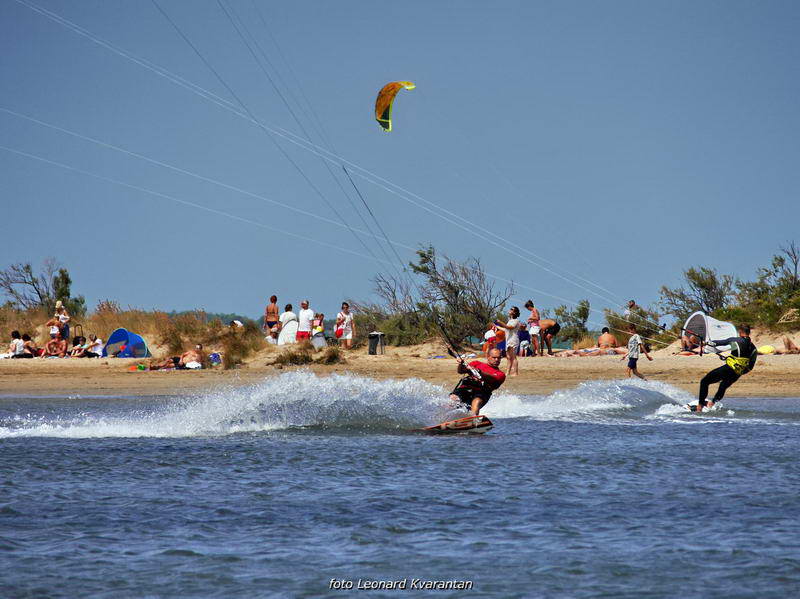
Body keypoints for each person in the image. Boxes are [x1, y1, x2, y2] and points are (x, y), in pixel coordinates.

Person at [689, 324, 758, 412]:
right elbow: (749, 366)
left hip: (728, 368)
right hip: (738, 372)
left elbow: (718, 343)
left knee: (705, 381)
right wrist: (736, 367)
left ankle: (700, 406)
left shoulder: (735, 340)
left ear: (740, 332)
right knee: (723, 386)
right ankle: (713, 403)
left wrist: (705, 343)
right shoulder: (754, 348)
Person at [449, 348, 506, 416]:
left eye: (499, 358)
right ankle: (443, 419)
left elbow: (492, 378)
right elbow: (461, 371)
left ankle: (473, 419)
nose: (497, 360)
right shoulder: (476, 363)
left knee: (477, 401)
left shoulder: (500, 374)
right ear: (488, 357)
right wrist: (461, 364)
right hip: (466, 388)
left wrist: (479, 372)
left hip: (482, 393)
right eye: (494, 357)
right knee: (453, 398)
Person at [495, 306, 521, 376]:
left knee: (513, 357)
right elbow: (506, 329)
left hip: (513, 340)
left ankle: (515, 372)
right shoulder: (510, 321)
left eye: (512, 309)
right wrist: (497, 326)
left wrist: (500, 322)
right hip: (509, 340)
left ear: (514, 312)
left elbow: (509, 327)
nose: (510, 310)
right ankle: (507, 372)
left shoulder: (516, 321)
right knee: (508, 357)